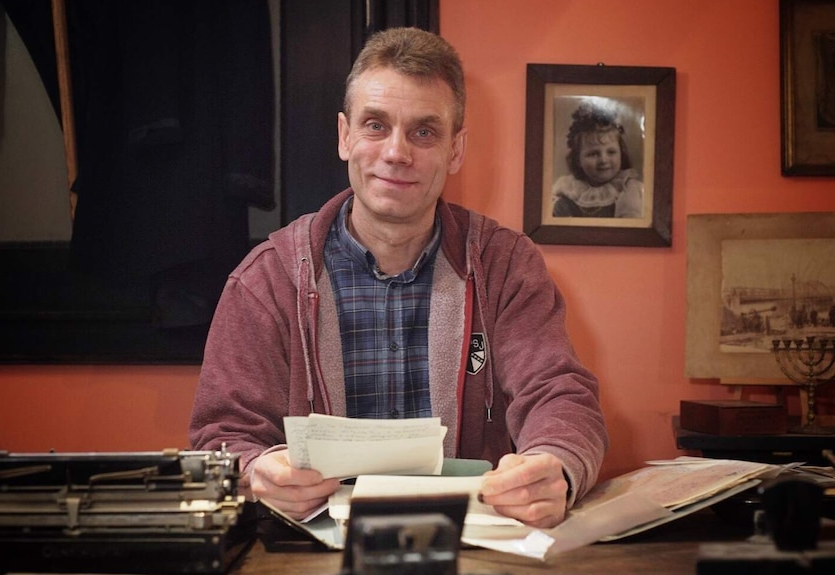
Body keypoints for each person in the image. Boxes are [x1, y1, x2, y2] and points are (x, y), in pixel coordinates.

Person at [189, 27, 608, 529]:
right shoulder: (266, 279)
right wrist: (257, 471)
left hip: (468, 545)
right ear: (345, 136)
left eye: (424, 132)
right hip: (309, 549)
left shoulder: (506, 265)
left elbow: (558, 391)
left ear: (456, 149)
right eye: (375, 125)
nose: (396, 152)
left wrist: (556, 467)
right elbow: (222, 433)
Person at [552, 102, 644, 218]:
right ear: (578, 160)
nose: (603, 160)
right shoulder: (568, 190)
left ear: (621, 153)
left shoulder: (628, 188)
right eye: (593, 154)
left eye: (611, 152)